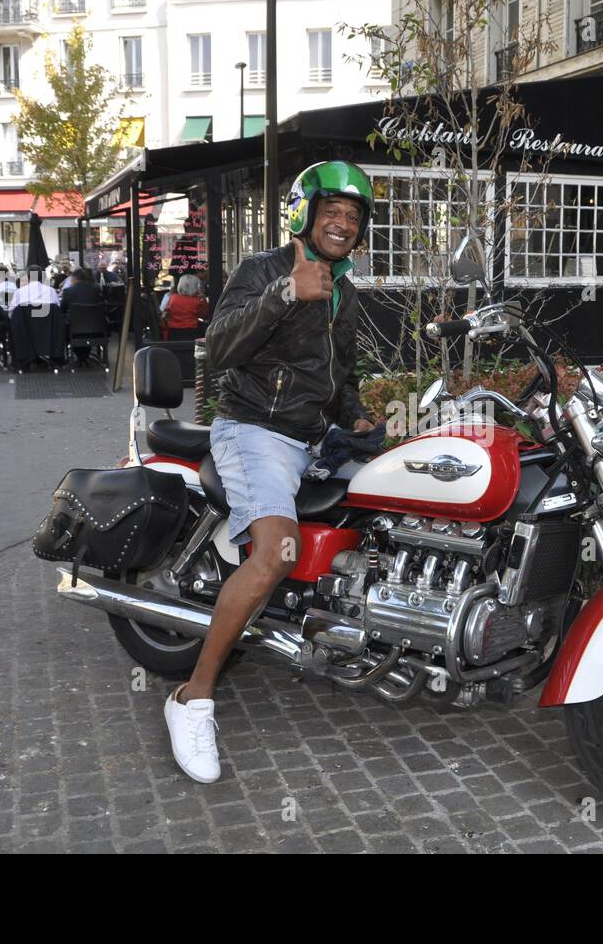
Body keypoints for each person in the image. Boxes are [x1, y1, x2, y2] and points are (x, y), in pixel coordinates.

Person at [163, 161, 378, 783]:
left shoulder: (345, 293)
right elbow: (221, 349)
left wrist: (359, 417)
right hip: (255, 431)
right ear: (305, 215)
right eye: (333, 212)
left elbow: (340, 379)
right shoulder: (263, 270)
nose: (343, 224)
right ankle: (192, 699)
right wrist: (284, 295)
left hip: (313, 438)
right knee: (276, 553)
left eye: (353, 217)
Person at [159, 272, 210, 340]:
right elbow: (204, 315)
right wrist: (204, 300)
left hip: (172, 333)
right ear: (195, 287)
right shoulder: (196, 301)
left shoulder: (173, 298)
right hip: (190, 332)